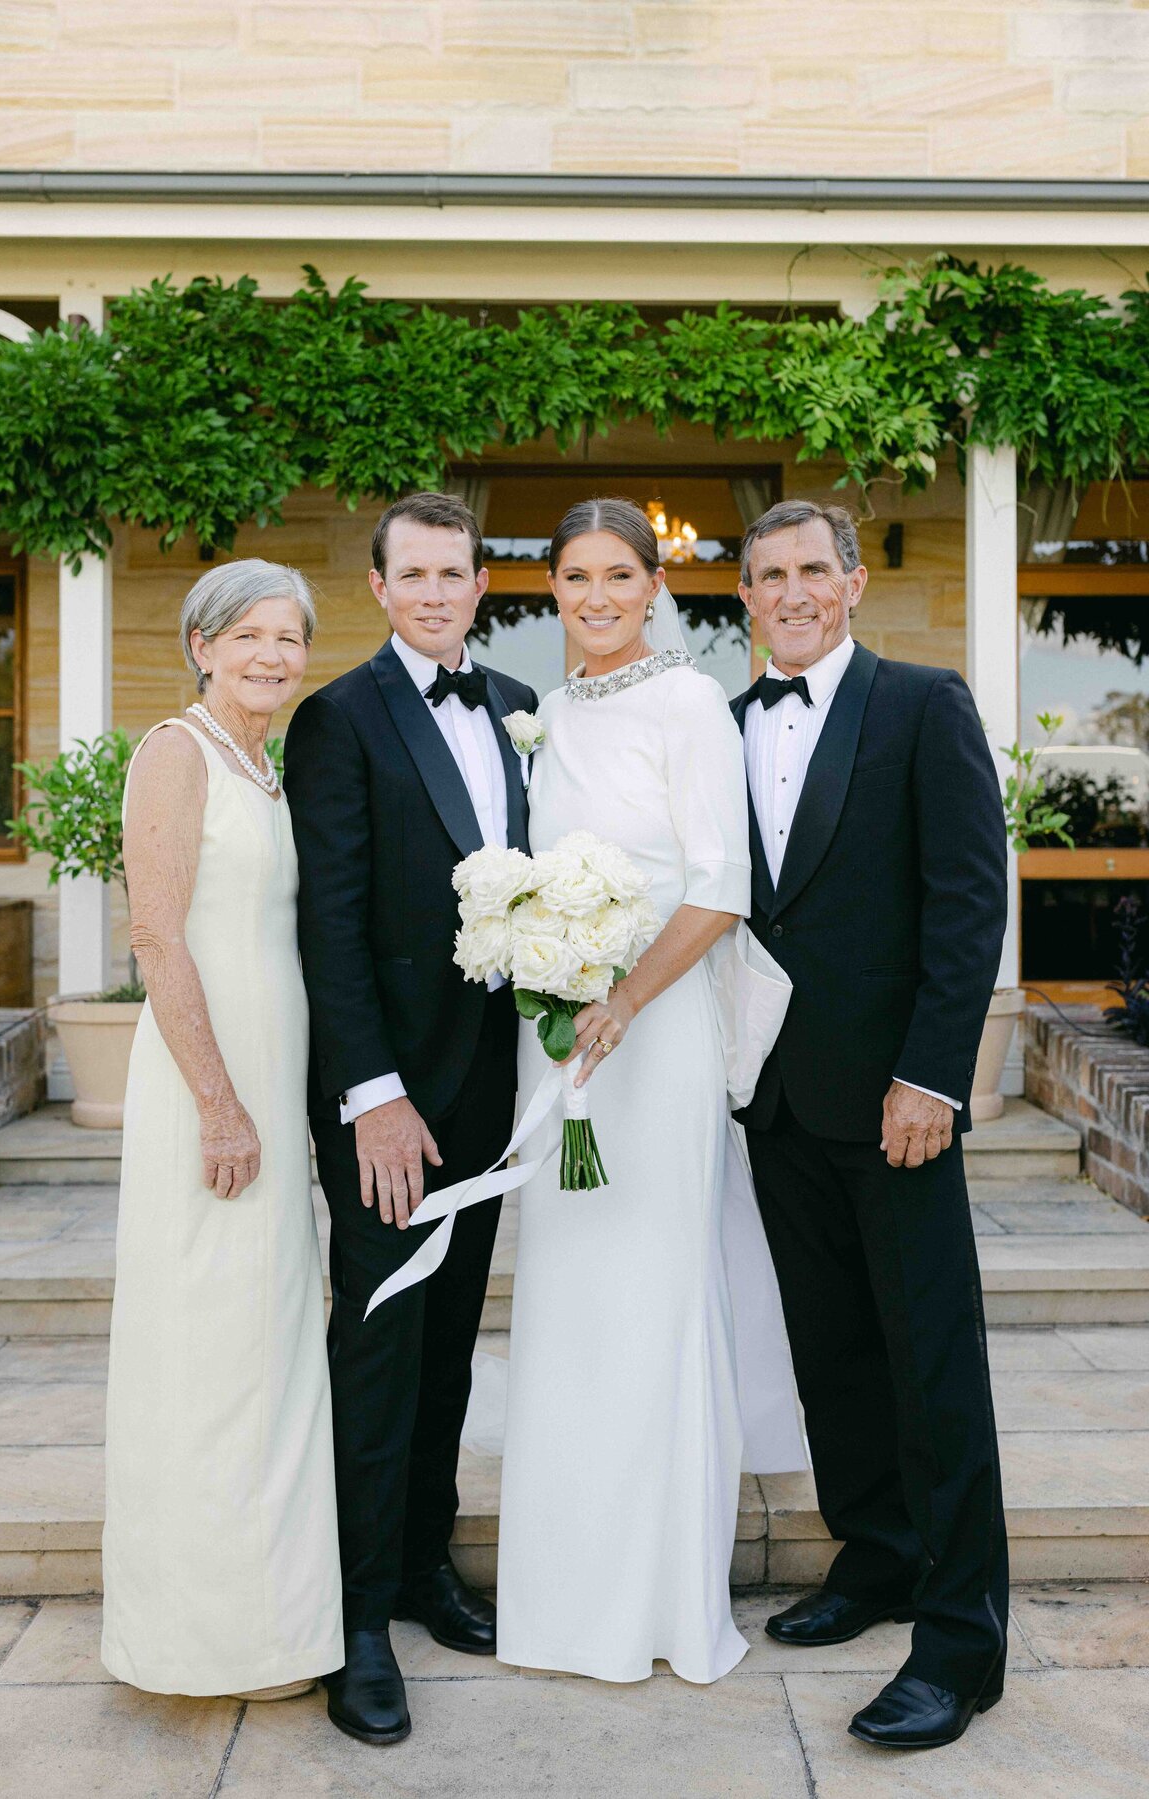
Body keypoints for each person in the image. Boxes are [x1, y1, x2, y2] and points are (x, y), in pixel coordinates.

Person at [495, 497, 805, 1684]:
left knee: (655, 1293)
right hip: (563, 1039)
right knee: (571, 1302)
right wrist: (550, 973)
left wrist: (625, 998)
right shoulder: (552, 715)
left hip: (656, 1039)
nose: (596, 595)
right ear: (553, 589)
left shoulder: (689, 703)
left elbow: (719, 887)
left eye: (619, 573)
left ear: (652, 580)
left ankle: (661, 1599)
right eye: (574, 575)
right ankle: (566, 1597)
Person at [733, 499, 1009, 1751]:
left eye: (809, 568)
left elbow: (965, 898)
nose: (789, 590)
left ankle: (960, 1641)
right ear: (742, 595)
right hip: (775, 1098)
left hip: (897, 1099)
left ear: (851, 582)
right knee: (831, 1349)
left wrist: (933, 1075)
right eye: (765, 574)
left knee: (931, 1364)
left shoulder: (922, 702)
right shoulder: (727, 725)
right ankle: (878, 1554)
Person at [284, 491, 538, 1746]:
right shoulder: (337, 718)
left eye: (456, 572)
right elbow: (327, 923)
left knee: (447, 1343)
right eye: (414, 575)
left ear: (482, 583)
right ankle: (359, 1615)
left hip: (493, 1091)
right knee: (378, 1346)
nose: (437, 592)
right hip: (389, 1102)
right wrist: (370, 1097)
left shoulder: (511, 709)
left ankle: (429, 1564)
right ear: (379, 589)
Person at [102, 559, 342, 1699]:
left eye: (289, 638)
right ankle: (199, 1638)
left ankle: (274, 1627)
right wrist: (219, 1101)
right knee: (208, 1359)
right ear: (200, 643)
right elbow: (156, 935)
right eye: (248, 634)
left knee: (271, 1351)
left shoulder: (267, 766)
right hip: (209, 1097)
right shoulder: (175, 751)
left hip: (271, 1086)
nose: (272, 656)